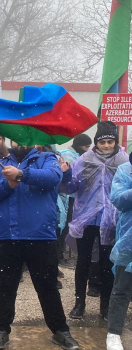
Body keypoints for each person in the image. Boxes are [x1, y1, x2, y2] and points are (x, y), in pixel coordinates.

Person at [0, 140, 79, 350]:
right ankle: (1, 330)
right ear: (10, 141)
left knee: (47, 287)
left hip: (40, 235)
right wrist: (7, 184)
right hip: (6, 235)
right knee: (6, 287)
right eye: (16, 138)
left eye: (26, 139)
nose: (21, 143)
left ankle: (60, 331)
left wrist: (21, 175)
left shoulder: (47, 159)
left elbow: (53, 178)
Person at [61, 122, 128, 320]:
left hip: (112, 220)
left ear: (115, 142)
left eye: (110, 142)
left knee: (108, 263)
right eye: (103, 142)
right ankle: (79, 303)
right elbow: (72, 188)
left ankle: (105, 305)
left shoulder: (123, 162)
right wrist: (65, 173)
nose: (107, 146)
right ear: (96, 143)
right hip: (87, 218)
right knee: (83, 261)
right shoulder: (84, 160)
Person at [106, 153, 132, 350]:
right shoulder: (125, 170)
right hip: (129, 242)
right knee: (122, 288)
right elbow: (118, 199)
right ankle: (114, 333)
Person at [57, 134, 92, 270]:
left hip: (74, 197)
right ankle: (59, 256)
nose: (87, 149)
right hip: (65, 198)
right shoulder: (67, 155)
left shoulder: (78, 155)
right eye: (86, 146)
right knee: (63, 227)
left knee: (66, 227)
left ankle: (60, 255)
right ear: (79, 145)